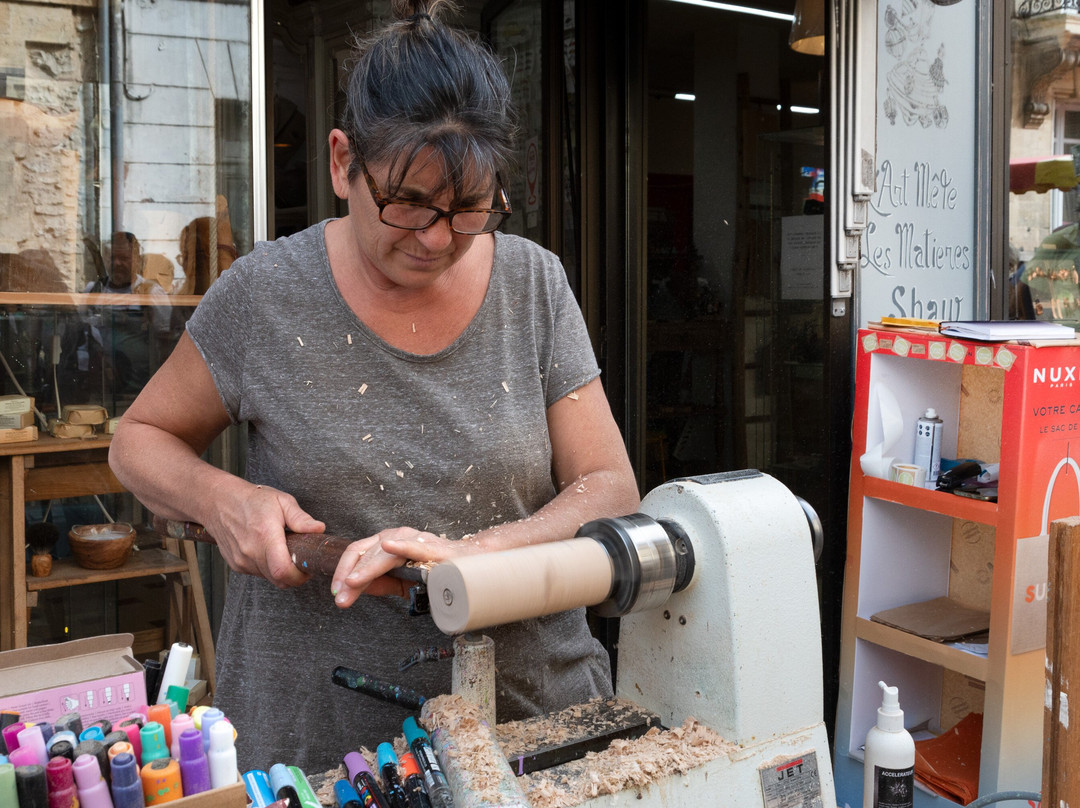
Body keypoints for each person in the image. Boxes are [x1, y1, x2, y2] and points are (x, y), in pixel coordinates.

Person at [108, 0, 640, 773]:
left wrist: (467, 557)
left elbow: (609, 487)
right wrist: (225, 500)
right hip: (321, 739)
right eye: (407, 202)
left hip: (531, 717)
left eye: (467, 210)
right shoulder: (266, 295)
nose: (434, 238)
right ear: (340, 162)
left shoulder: (533, 284)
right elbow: (137, 444)